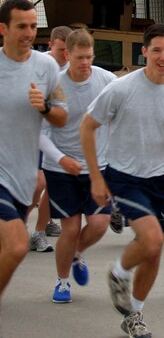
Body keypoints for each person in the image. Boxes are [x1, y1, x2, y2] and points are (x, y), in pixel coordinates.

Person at [80, 23, 164, 338]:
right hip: (123, 176)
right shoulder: (121, 89)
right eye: (157, 50)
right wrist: (96, 177)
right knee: (152, 240)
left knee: (152, 248)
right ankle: (119, 272)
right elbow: (87, 126)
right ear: (144, 52)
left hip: (160, 180)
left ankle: (134, 313)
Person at [39, 29, 116, 303]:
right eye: (79, 57)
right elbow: (40, 133)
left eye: (89, 57)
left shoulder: (107, 81)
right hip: (61, 168)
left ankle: (75, 253)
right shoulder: (53, 86)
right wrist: (61, 159)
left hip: (98, 166)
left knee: (99, 224)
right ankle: (62, 282)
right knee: (69, 229)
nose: (84, 63)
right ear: (66, 55)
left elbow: (120, 118)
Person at [0, 0, 67, 306]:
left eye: (33, 26)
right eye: (21, 27)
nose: (29, 33)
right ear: (3, 29)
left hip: (23, 174)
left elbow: (62, 116)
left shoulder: (47, 66)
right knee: (15, 246)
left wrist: (45, 108)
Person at [29, 25, 73, 252]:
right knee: (38, 183)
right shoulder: (38, 67)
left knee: (50, 184)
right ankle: (16, 223)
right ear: (50, 46)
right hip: (33, 133)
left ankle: (38, 231)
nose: (65, 56)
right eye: (61, 51)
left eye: (69, 52)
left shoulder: (76, 67)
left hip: (59, 135)